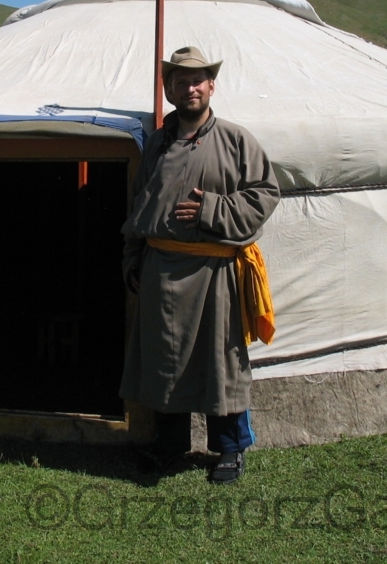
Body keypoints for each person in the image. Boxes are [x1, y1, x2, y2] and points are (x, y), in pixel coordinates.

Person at [119, 45, 281, 484]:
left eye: (197, 80)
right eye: (179, 80)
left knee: (221, 361)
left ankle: (230, 450)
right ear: (168, 87)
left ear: (211, 85)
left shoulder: (236, 139)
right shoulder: (156, 142)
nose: (189, 88)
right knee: (164, 362)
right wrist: (133, 258)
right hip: (161, 270)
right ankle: (169, 446)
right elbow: (140, 204)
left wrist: (211, 210)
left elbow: (265, 195)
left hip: (215, 273)